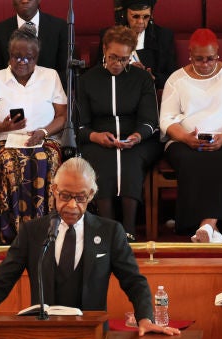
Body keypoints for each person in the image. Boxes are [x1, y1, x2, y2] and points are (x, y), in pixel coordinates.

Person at [0, 157, 180, 339]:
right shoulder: (33, 232)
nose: (72, 205)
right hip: (43, 338)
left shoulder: (110, 232)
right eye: (64, 196)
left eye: (81, 197)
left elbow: (134, 281)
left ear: (92, 195)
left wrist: (145, 318)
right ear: (53, 191)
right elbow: (1, 281)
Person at [159, 28, 222, 244]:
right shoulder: (176, 79)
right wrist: (185, 137)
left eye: (210, 59)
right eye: (199, 59)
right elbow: (166, 120)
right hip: (185, 140)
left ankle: (206, 225)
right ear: (190, 54)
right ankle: (214, 228)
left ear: (217, 53)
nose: (205, 64)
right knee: (191, 158)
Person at [0, 27, 67, 242]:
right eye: (16, 56)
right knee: (10, 162)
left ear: (37, 57)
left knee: (47, 159)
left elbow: (62, 116)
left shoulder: (50, 76)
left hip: (45, 139)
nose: (22, 62)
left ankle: (46, 229)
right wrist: (4, 127)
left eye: (28, 57)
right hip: (5, 141)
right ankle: (13, 233)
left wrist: (43, 132)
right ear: (9, 54)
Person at [77, 26, 161, 237]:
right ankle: (108, 230)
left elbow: (151, 120)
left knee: (130, 160)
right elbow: (79, 124)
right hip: (97, 138)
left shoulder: (141, 79)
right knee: (101, 159)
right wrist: (95, 136)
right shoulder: (87, 80)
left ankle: (129, 230)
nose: (117, 64)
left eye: (124, 59)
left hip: (137, 139)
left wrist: (137, 136)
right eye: (113, 57)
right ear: (104, 49)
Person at [93, 0, 176, 90]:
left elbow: (173, 76)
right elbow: (99, 70)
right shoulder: (110, 35)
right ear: (125, 14)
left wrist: (153, 78)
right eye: (135, 16)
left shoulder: (164, 36)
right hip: (116, 89)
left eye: (146, 17)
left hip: (147, 91)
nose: (141, 21)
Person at [0, 0, 69, 83]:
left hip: (49, 91)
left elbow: (66, 72)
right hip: (11, 92)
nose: (25, 1)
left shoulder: (60, 27)